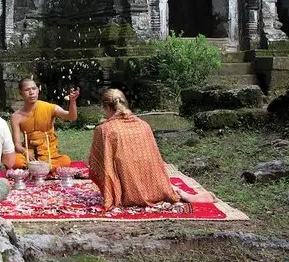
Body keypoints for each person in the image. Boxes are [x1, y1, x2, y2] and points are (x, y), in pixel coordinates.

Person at [88, 88, 217, 209]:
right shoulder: (144, 125)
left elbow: (100, 165)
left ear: (106, 107)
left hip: (128, 192)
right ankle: (177, 192)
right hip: (154, 184)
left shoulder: (105, 130)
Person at [10, 78, 80, 170]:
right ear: (20, 93)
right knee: (15, 162)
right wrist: (25, 152)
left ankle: (36, 168)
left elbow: (71, 117)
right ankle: (44, 167)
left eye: (34, 89)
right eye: (27, 90)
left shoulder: (50, 108)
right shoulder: (16, 116)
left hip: (48, 151)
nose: (31, 92)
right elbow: (17, 145)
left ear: (38, 90)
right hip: (29, 151)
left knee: (65, 161)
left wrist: (73, 102)